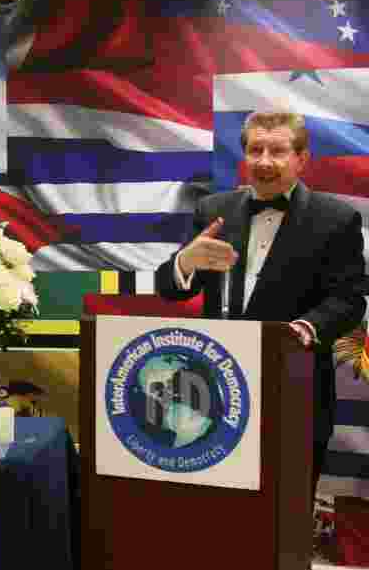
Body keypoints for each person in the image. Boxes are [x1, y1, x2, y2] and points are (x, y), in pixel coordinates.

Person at [155, 111, 366, 494]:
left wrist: (303, 329)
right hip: (216, 398)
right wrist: (185, 262)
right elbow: (170, 289)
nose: (264, 161)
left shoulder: (337, 219)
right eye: (256, 150)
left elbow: (349, 299)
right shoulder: (212, 211)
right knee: (221, 512)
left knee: (288, 513)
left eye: (278, 151)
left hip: (295, 395)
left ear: (301, 159)